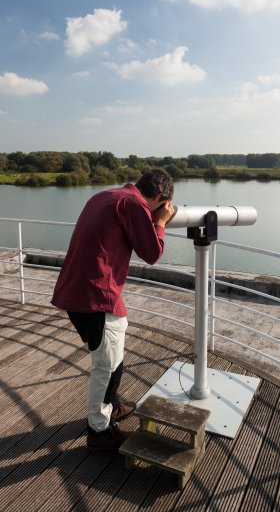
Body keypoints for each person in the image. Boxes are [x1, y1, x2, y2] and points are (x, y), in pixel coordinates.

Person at [51, 169, 175, 450]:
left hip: (77, 292)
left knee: (113, 356)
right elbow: (152, 253)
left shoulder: (105, 195)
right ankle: (99, 430)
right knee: (106, 367)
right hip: (97, 296)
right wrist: (162, 222)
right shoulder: (134, 204)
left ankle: (113, 405)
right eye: (161, 204)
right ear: (159, 198)